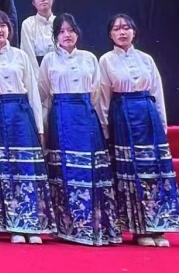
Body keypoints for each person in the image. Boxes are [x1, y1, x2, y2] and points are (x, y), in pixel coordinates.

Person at [38, 13, 120, 246]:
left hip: (86, 117)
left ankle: (95, 227)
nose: (67, 35)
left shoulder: (89, 58)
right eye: (62, 31)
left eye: (71, 30)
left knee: (90, 172)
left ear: (77, 33)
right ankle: (68, 228)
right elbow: (43, 93)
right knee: (65, 172)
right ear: (55, 36)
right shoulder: (49, 60)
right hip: (61, 118)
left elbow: (97, 94)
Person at [98, 13, 179, 247]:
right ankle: (139, 229)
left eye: (126, 27)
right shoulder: (106, 61)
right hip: (123, 118)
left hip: (148, 116)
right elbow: (103, 99)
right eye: (116, 29)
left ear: (134, 31)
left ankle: (158, 227)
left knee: (154, 171)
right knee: (131, 173)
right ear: (110, 34)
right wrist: (106, 129)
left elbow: (157, 93)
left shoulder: (146, 59)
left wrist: (161, 124)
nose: (122, 32)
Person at [0, 10, 53, 244]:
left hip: (22, 114)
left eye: (3, 25)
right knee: (6, 170)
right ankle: (14, 225)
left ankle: (32, 223)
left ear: (9, 29)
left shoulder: (21, 56)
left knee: (27, 168)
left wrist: (39, 127)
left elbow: (34, 94)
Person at [20, 0, 55, 67]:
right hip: (36, 69)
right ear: (33, 2)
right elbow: (28, 54)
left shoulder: (60, 22)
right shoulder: (28, 24)